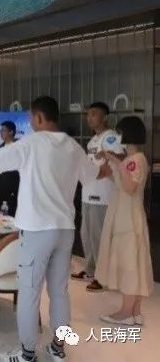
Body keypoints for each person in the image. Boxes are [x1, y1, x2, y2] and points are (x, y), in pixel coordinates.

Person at [0, 96, 110, 362]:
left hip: (36, 230)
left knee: (29, 294)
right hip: (65, 230)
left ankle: (27, 353)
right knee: (60, 292)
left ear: (39, 117)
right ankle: (58, 348)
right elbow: (95, 174)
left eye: (31, 117)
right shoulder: (73, 146)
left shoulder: (32, 143)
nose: (30, 122)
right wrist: (109, 166)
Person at [96, 116, 154, 326]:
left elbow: (130, 187)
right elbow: (123, 183)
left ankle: (126, 313)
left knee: (129, 264)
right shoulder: (134, 159)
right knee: (134, 262)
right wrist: (110, 167)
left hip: (127, 218)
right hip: (126, 215)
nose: (117, 137)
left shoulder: (134, 160)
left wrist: (115, 160)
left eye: (119, 133)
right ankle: (135, 311)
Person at [71, 102, 123, 292]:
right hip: (88, 193)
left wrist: (98, 170)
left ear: (105, 117)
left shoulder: (110, 137)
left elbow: (117, 162)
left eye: (94, 114)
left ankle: (103, 276)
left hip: (103, 195)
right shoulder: (93, 140)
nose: (89, 118)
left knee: (99, 236)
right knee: (86, 235)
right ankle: (90, 269)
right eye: (88, 114)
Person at [0, 120, 20, 216]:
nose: (1, 133)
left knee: (13, 212)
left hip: (15, 185)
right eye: (0, 131)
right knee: (2, 213)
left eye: (3, 130)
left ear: (11, 132)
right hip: (1, 185)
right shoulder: (0, 147)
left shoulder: (19, 146)